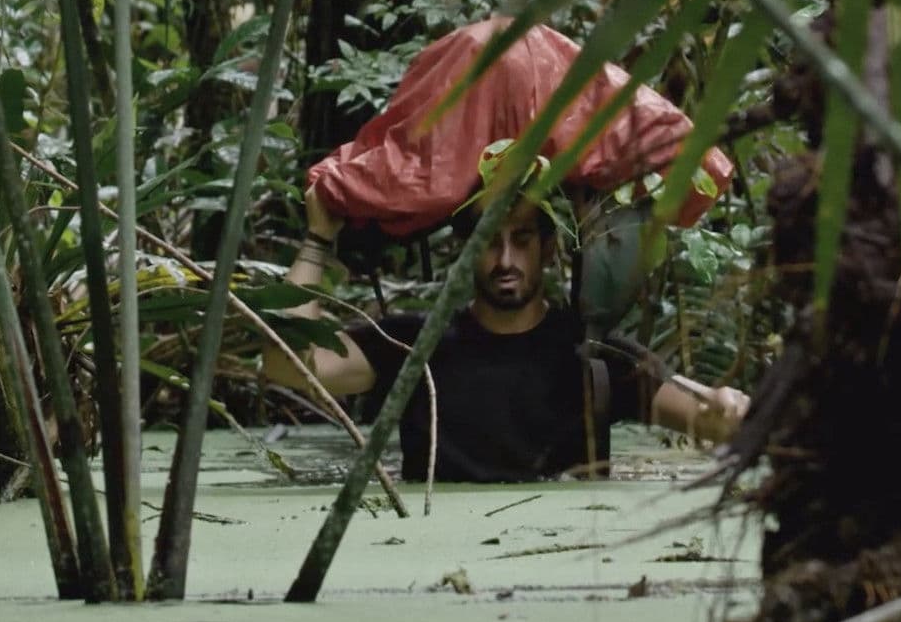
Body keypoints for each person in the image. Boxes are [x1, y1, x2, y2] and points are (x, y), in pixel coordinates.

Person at [259, 187, 752, 482]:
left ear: (549, 249)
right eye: (490, 242)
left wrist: (727, 404)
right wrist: (318, 237)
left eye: (521, 240)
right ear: (466, 250)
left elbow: (715, 421)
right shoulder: (414, 345)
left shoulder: (593, 357)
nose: (506, 261)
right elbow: (287, 364)